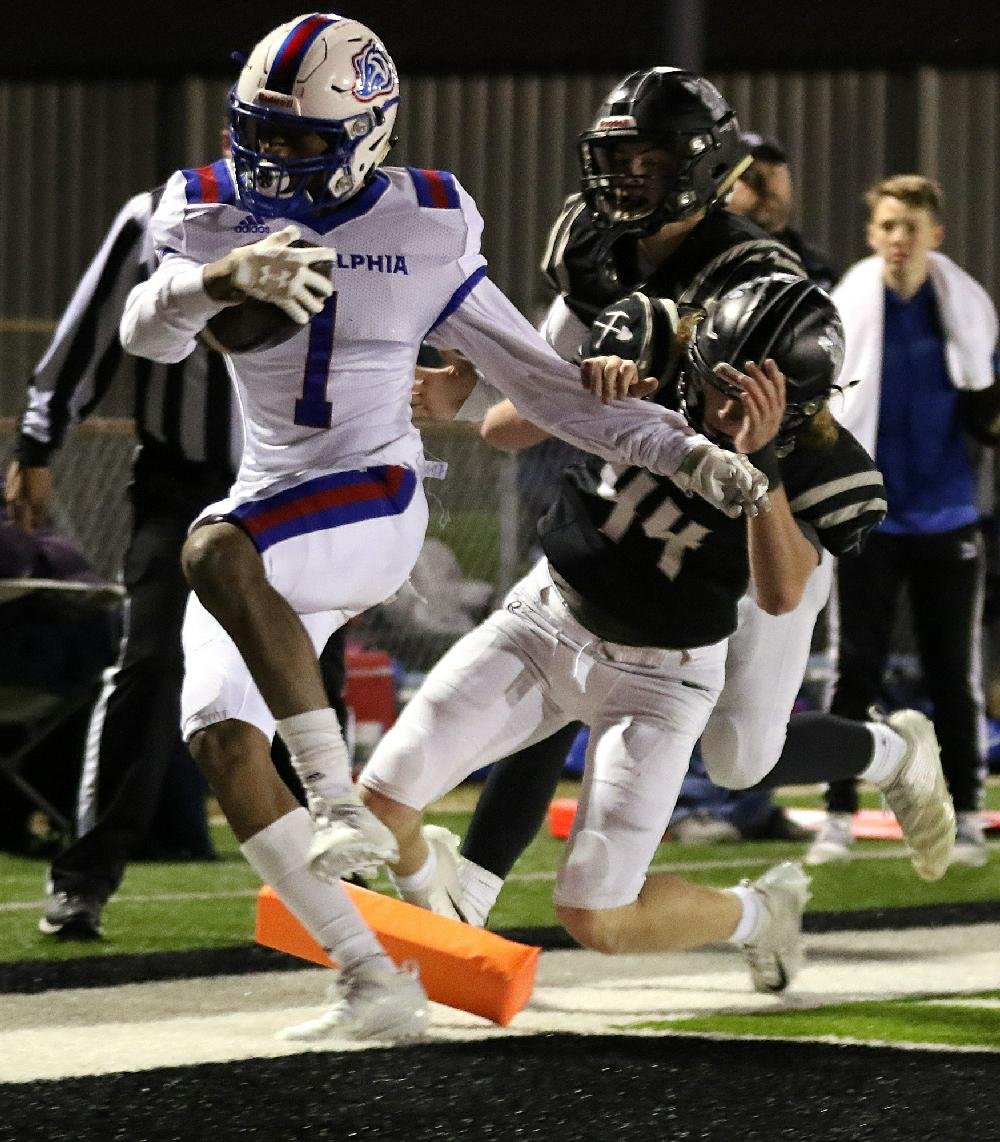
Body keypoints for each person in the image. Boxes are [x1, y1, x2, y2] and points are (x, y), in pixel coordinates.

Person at [120, 18, 765, 1042]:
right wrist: (216, 281)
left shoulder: (423, 220)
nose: (272, 156)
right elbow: (147, 333)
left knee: (212, 549)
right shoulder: (205, 204)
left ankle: (336, 800)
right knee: (221, 740)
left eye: (300, 138)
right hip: (270, 508)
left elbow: (540, 383)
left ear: (367, 133)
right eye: (260, 132)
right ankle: (373, 977)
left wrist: (681, 452)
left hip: (369, 498)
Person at [412, 69, 951, 907]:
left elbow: (778, 460)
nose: (629, 180)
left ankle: (889, 753)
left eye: (652, 162)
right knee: (568, 644)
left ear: (702, 169)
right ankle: (471, 893)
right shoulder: (597, 247)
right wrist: (482, 392)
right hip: (643, 496)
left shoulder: (765, 284)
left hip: (762, 506)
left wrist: (664, 396)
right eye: (621, 158)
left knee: (741, 756)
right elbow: (531, 407)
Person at [355, 262, 955, 995]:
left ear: (798, 409)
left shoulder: (824, 468)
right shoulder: (651, 342)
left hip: (660, 679)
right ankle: (445, 907)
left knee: (599, 916)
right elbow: (505, 427)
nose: (720, 411)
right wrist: (584, 387)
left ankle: (758, 914)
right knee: (378, 806)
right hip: (543, 623)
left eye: (748, 400)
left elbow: (780, 594)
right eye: (717, 384)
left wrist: (760, 462)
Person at [808, 174, 999, 869]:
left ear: (934, 236)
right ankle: (837, 819)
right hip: (869, 520)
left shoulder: (964, 311)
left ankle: (969, 816)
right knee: (854, 671)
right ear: (872, 234)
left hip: (948, 517)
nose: (898, 239)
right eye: (888, 226)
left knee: (954, 675)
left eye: (911, 228)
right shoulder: (846, 311)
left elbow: (986, 405)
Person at [727, 132, 838, 291]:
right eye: (750, 176)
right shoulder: (712, 263)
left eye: (772, 174)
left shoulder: (819, 270)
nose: (765, 188)